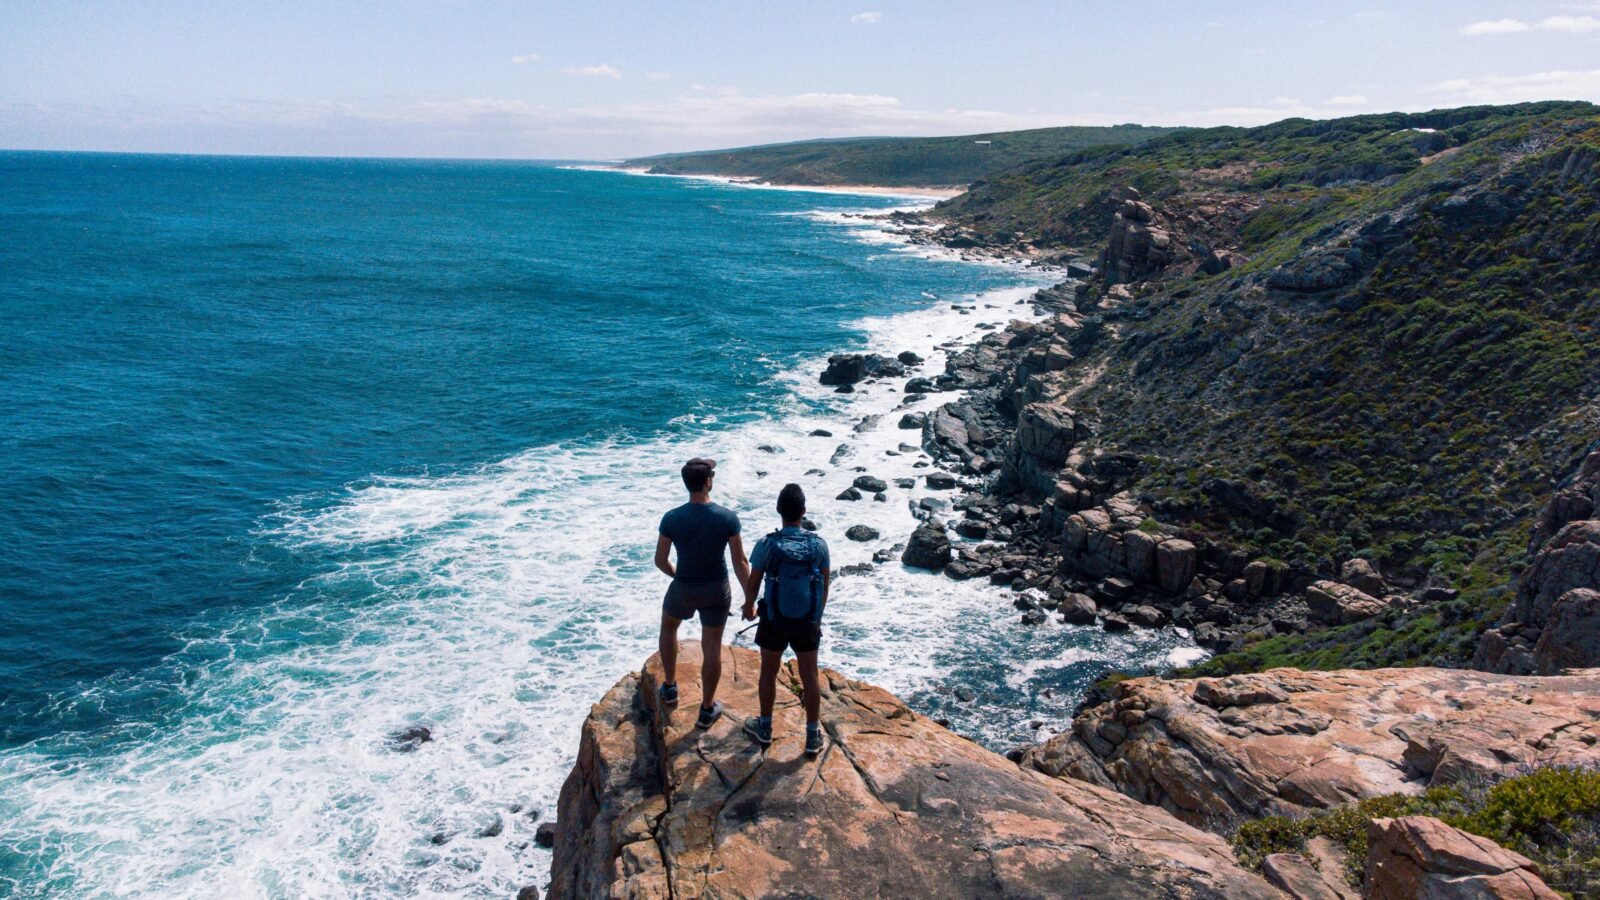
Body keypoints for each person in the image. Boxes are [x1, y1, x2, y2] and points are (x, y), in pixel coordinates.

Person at [656, 457, 749, 730]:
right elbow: (740, 562)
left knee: (668, 628)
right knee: (711, 647)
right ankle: (707, 709)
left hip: (684, 586)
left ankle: (670, 687)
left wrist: (678, 575)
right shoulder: (727, 518)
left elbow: (660, 560)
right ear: (708, 482)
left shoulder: (672, 518)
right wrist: (750, 599)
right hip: (716, 590)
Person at [741, 483, 832, 758]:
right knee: (810, 676)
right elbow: (824, 584)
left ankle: (765, 727)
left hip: (774, 619)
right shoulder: (819, 545)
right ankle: (812, 735)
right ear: (803, 511)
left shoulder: (767, 544)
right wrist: (816, 618)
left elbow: (754, 581)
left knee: (768, 672)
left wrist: (749, 606)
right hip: (807, 621)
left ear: (778, 510)